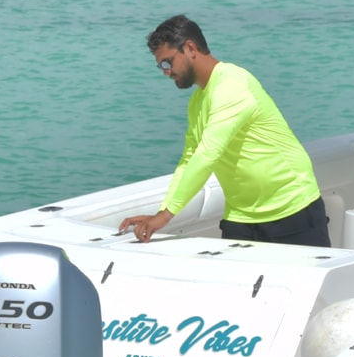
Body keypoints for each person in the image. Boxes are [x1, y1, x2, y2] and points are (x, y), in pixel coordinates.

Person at [118, 15, 330, 248]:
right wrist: (162, 210)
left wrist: (166, 216)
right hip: (241, 217)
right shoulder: (197, 102)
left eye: (167, 63)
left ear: (190, 48)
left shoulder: (232, 83)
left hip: (292, 210)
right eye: (161, 66)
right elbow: (189, 159)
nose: (165, 72)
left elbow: (208, 153)